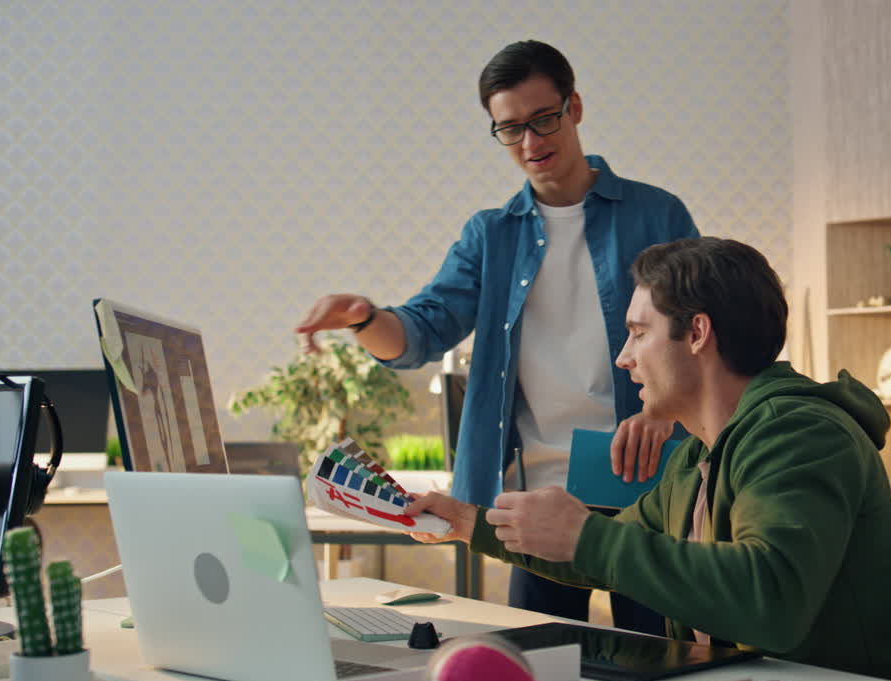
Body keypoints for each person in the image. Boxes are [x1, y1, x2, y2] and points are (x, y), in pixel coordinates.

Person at [294, 40, 696, 635]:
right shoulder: (490, 235)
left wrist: (664, 411)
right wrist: (363, 317)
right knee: (536, 669)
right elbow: (419, 335)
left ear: (574, 107)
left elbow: (702, 332)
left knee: (665, 660)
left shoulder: (656, 214)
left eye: (543, 120)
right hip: (533, 495)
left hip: (648, 485)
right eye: (510, 130)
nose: (531, 143)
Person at [406, 237, 891, 681]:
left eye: (639, 332)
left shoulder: (799, 435)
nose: (624, 357)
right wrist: (466, 522)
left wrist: (586, 534)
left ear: (696, 333)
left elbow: (772, 599)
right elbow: (608, 547)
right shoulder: (698, 456)